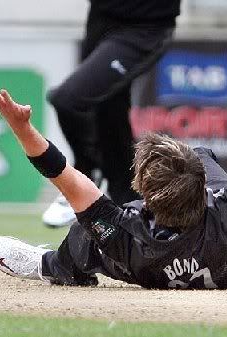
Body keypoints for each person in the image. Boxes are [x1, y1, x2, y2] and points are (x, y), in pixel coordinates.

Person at [0, 9, 227, 289]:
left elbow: (62, 173)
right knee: (202, 154)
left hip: (146, 263)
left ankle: (53, 265)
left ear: (145, 202)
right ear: (205, 189)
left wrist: (22, 127)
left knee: (90, 231)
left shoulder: (127, 237)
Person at [43, 0, 181, 227]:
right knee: (109, 112)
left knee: (68, 100)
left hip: (144, 28)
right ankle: (136, 221)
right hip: (101, 20)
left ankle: (84, 177)